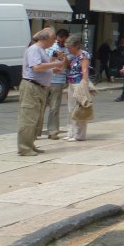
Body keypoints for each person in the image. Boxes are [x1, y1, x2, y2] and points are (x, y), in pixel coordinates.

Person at [16, 28, 65, 156]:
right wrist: (55, 64)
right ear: (45, 38)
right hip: (32, 87)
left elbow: (41, 68)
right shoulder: (34, 49)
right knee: (29, 117)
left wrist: (52, 69)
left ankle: (30, 144)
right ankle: (24, 147)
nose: (54, 40)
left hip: (40, 87)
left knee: (36, 118)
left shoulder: (41, 51)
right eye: (53, 38)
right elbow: (36, 67)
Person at [39, 28, 69, 140]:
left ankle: (53, 131)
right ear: (56, 38)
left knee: (54, 108)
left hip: (59, 81)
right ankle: (37, 131)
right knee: (41, 107)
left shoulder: (67, 49)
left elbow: (68, 65)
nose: (62, 42)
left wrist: (64, 57)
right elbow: (43, 62)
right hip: (46, 80)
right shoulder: (49, 47)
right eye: (60, 39)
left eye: (64, 40)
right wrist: (53, 56)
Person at [64, 35, 92, 141]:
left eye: (70, 47)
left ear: (76, 46)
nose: (68, 49)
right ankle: (71, 132)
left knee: (80, 109)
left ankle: (79, 134)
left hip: (79, 83)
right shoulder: (72, 56)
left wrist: (84, 85)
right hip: (71, 83)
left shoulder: (83, 55)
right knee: (71, 109)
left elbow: (85, 71)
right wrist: (64, 58)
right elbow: (66, 67)